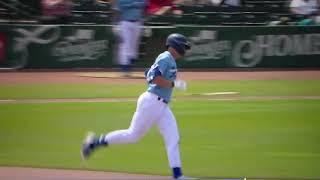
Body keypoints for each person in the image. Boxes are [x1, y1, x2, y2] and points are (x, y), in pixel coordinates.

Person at [81, 33, 193, 180]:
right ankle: (94, 142)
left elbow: (148, 74)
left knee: (173, 138)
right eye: (183, 46)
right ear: (175, 45)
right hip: (152, 103)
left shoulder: (168, 59)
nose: (184, 50)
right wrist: (174, 84)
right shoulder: (166, 58)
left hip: (162, 106)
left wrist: (169, 83)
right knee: (132, 135)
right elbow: (154, 79)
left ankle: (178, 176)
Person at [113, 0, 146, 75]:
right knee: (125, 45)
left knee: (134, 45)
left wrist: (132, 5)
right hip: (125, 22)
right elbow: (119, 8)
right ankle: (125, 68)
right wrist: (115, 24)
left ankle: (129, 64)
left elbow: (144, 4)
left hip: (137, 22)